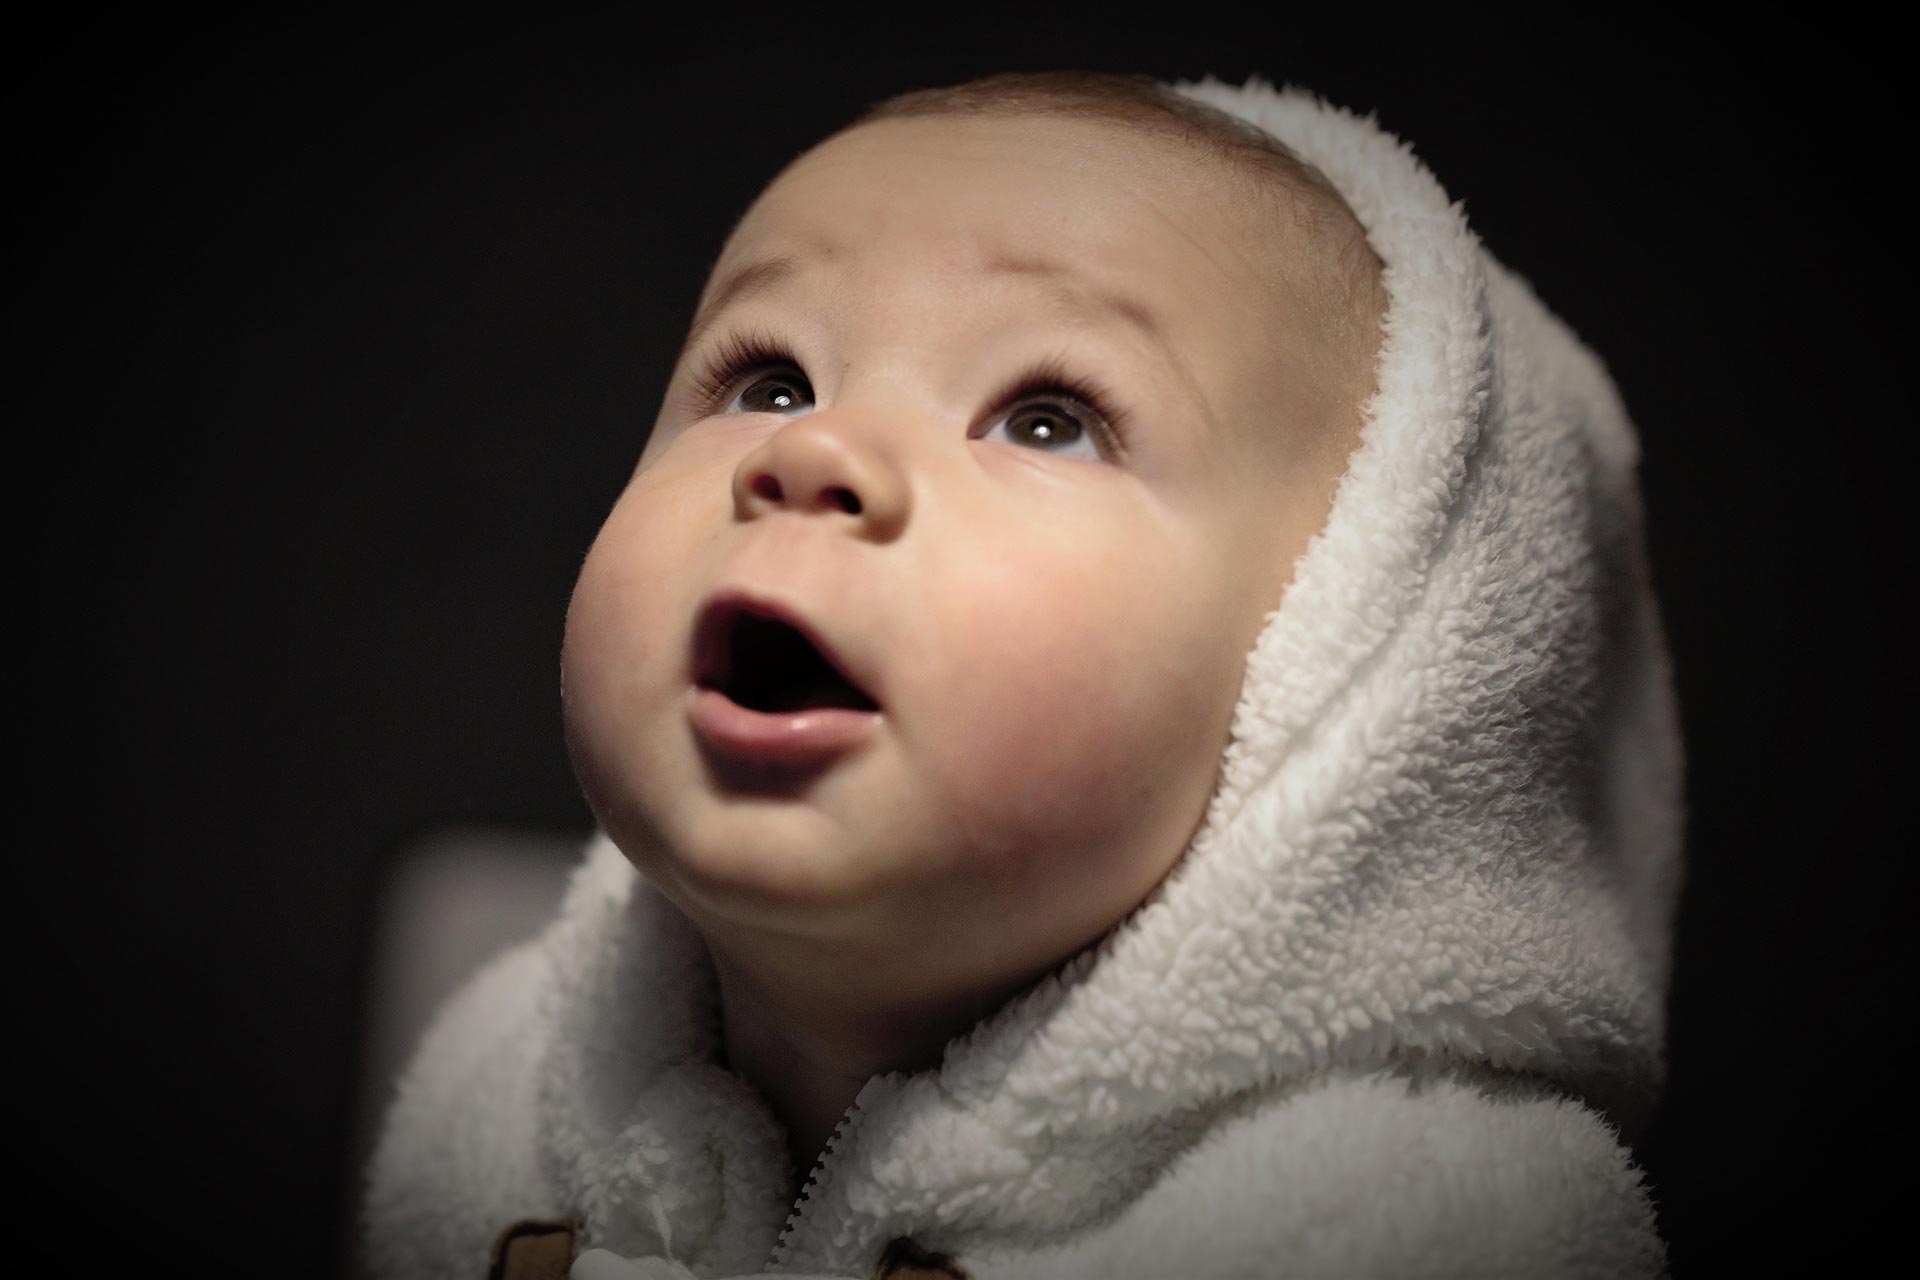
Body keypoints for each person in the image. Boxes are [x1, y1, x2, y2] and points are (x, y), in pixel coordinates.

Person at [361, 69, 1685, 1279]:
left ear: (1350, 668)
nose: (813, 455)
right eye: (768, 382)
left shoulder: (1414, 1227)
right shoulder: (497, 1103)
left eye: (1048, 419)